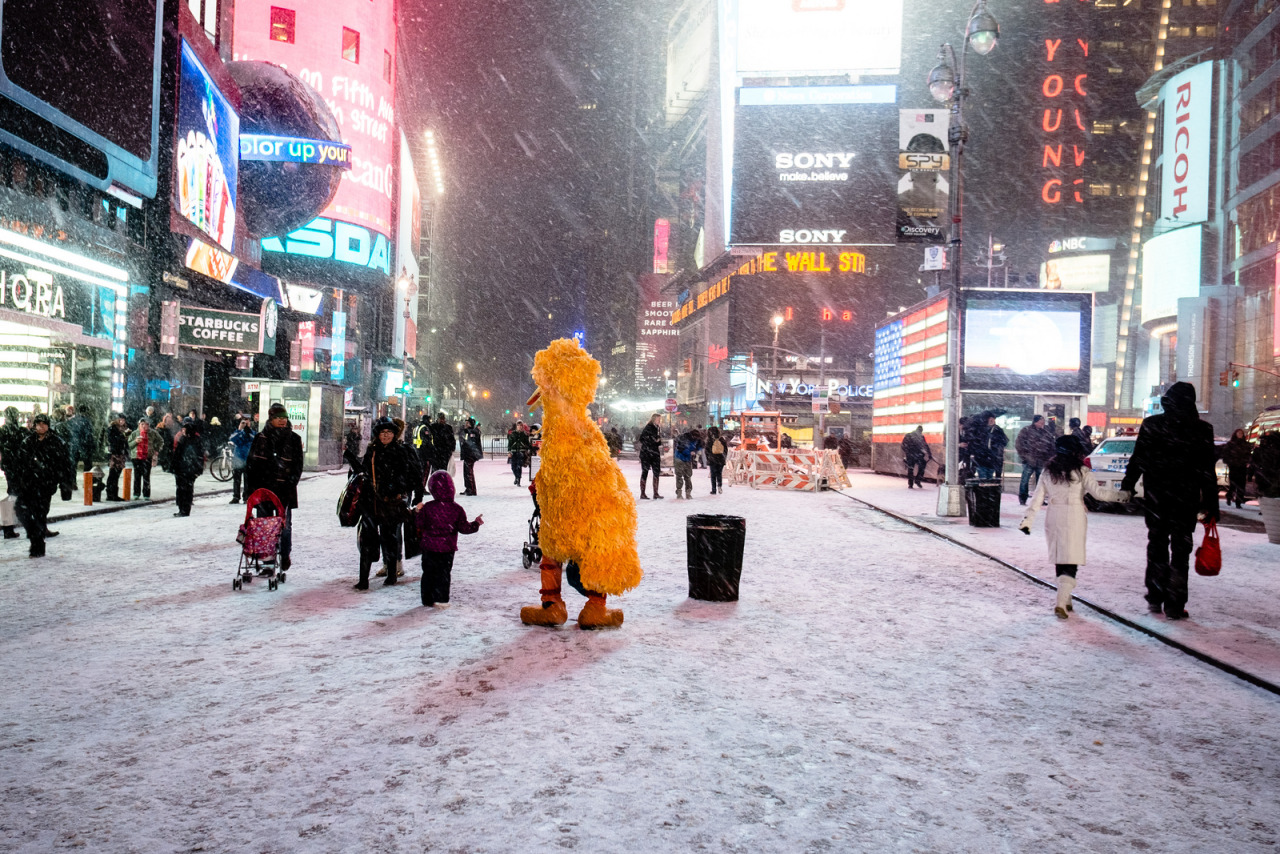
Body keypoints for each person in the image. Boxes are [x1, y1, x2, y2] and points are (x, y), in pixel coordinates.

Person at [1119, 381, 1219, 620]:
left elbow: (1139, 458)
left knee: (1156, 546)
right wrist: (1211, 505)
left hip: (1158, 497)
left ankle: (1155, 594)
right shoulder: (1202, 429)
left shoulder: (1153, 425)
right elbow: (1207, 470)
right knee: (1181, 552)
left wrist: (1128, 485)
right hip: (1186, 499)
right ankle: (1175, 603)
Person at [1019, 435, 1109, 619]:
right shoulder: (1082, 471)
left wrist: (1027, 521)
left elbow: (1037, 498)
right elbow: (1099, 494)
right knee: (1071, 559)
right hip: (1074, 516)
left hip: (1054, 516)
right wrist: (1124, 495)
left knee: (1061, 557)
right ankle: (1060, 602)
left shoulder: (1048, 471)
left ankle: (1065, 598)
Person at [355, 417, 423, 590]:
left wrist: (415, 493)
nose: (385, 436)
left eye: (389, 433)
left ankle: (392, 574)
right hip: (371, 502)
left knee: (389, 538)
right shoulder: (373, 451)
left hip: (391, 502)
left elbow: (413, 474)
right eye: (382, 433)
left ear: (394, 434)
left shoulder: (401, 451)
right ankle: (363, 579)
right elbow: (363, 473)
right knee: (368, 541)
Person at [245, 403, 304, 570]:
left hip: (285, 490)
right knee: (265, 526)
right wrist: (250, 490)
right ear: (271, 419)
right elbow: (251, 465)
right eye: (278, 417)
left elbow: (297, 467)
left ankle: (285, 554)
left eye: (284, 417)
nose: (282, 421)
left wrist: (290, 483)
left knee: (284, 527)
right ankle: (268, 560)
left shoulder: (294, 439)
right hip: (263, 491)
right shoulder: (261, 438)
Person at [413, 470, 484, 607]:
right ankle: (441, 598)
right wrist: (475, 524)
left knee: (428, 574)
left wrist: (417, 512)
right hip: (447, 549)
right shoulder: (456, 509)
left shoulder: (428, 508)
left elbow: (419, 524)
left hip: (429, 548)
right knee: (443, 574)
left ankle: (427, 598)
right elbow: (464, 528)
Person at [13, 413, 71, 557]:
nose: (41, 426)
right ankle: (35, 536)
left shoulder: (57, 442)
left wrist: (65, 485)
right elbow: (19, 462)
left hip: (46, 484)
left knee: (40, 514)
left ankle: (37, 545)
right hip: (28, 484)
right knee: (21, 510)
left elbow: (65, 464)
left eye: (44, 424)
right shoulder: (28, 441)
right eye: (38, 424)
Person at [1015, 415, 1056, 506]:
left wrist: (1049, 458)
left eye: (1043, 422)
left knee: (1040, 481)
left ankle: (1039, 499)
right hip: (1029, 460)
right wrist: (1025, 456)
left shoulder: (1046, 433)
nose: (1042, 424)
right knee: (1025, 480)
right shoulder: (1026, 431)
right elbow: (1019, 444)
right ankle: (1023, 498)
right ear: (1035, 422)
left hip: (1041, 460)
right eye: (1040, 422)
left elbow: (1051, 446)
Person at [0, 407, 28, 538]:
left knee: (12, 494)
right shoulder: (20, 431)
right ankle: (9, 526)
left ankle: (8, 526)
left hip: (9, 466)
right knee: (15, 495)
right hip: (19, 466)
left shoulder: (3, 430)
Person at [171, 418, 206, 517]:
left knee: (184, 490)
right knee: (185, 490)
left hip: (185, 469)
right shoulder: (192, 440)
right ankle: (183, 508)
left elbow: (178, 455)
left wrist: (175, 466)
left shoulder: (188, 440)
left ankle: (184, 509)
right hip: (186, 469)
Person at [969, 412, 1008, 479]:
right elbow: (975, 443)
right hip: (983, 458)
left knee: (988, 478)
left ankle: (986, 488)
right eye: (990, 419)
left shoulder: (997, 430)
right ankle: (986, 488)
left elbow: (1004, 441)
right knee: (984, 478)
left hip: (991, 459)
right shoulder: (981, 430)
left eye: (993, 419)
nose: (991, 420)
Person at [1221, 428, 1252, 509]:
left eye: (1241, 433)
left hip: (1242, 466)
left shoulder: (1245, 444)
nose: (1240, 435)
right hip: (1234, 467)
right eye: (1238, 433)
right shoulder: (1231, 444)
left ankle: (1238, 502)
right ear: (1235, 434)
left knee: (1241, 485)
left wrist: (1247, 461)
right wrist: (1230, 462)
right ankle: (1229, 496)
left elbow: (1249, 455)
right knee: (1233, 485)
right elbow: (1225, 455)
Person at [228, 418, 256, 503]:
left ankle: (246, 496)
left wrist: (248, 432)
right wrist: (239, 429)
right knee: (237, 479)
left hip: (248, 459)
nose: (245, 425)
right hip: (238, 459)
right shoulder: (239, 433)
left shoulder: (253, 433)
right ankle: (236, 496)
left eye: (247, 423)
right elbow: (232, 438)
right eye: (244, 423)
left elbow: (255, 439)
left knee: (247, 480)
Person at [638, 413, 664, 499]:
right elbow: (642, 438)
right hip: (647, 453)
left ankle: (655, 493)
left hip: (654, 453)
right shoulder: (648, 427)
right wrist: (652, 441)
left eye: (660, 420)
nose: (659, 421)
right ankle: (643, 493)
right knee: (645, 472)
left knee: (656, 472)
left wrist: (658, 441)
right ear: (654, 419)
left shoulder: (657, 428)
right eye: (658, 419)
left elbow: (658, 441)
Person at [66, 403, 92, 485]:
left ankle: (73, 482)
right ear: (86, 411)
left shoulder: (72, 421)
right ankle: (87, 482)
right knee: (87, 464)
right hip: (84, 445)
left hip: (74, 445)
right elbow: (88, 434)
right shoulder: (86, 421)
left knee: (73, 465)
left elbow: (68, 433)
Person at [127, 418, 152, 500]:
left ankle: (146, 494)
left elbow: (160, 441)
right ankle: (136, 493)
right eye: (142, 424)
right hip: (136, 457)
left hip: (147, 457)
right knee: (137, 476)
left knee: (146, 476)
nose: (144, 426)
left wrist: (155, 450)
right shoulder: (134, 433)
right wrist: (135, 441)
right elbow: (129, 445)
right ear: (139, 425)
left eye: (145, 424)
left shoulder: (151, 433)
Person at [673, 427, 702, 500]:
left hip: (687, 459)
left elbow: (698, 446)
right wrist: (689, 452)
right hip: (679, 458)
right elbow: (680, 448)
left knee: (688, 476)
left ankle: (688, 492)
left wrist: (696, 451)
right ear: (692, 436)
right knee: (679, 475)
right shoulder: (683, 438)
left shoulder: (697, 440)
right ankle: (679, 492)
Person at [459, 417, 482, 496]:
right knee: (466, 472)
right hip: (467, 454)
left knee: (469, 472)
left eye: (468, 423)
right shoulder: (467, 431)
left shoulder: (473, 432)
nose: (466, 424)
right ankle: (468, 488)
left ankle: (471, 489)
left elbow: (471, 443)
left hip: (470, 455)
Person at [706, 425, 727, 495]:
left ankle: (714, 490)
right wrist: (724, 457)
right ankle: (720, 486)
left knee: (713, 475)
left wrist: (709, 458)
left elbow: (707, 451)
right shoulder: (722, 440)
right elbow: (725, 450)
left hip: (713, 460)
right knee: (719, 474)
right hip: (720, 459)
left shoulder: (710, 441)